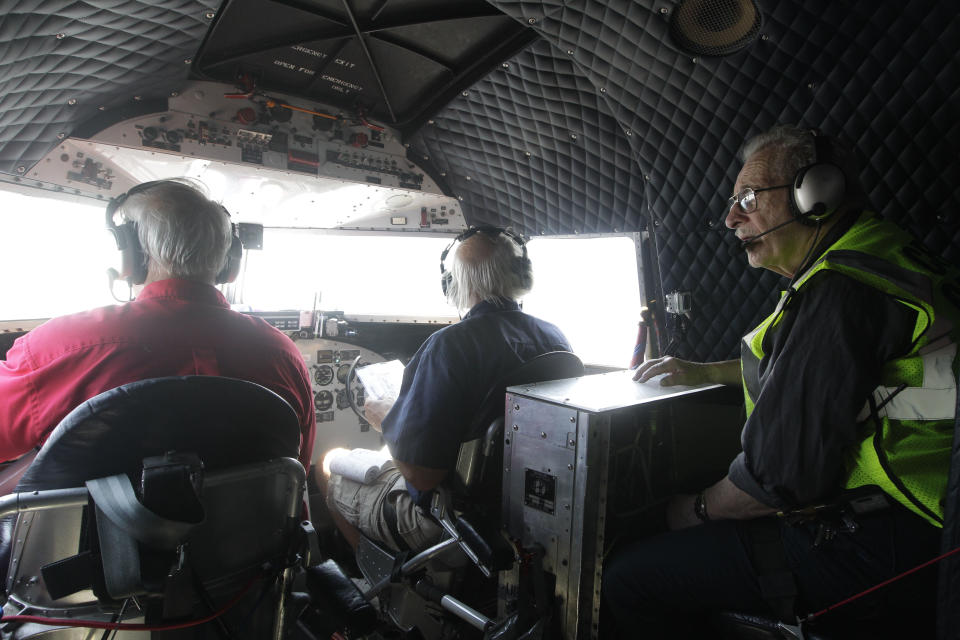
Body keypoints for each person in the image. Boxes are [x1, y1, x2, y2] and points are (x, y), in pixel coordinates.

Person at [602, 125, 959, 636]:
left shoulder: (842, 290)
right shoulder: (881, 255)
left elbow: (775, 481)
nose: (730, 218)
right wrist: (705, 372)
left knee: (627, 579)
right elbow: (830, 373)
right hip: (927, 517)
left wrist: (689, 510)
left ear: (816, 195)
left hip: (898, 539)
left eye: (748, 197)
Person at [0, 179, 316, 471]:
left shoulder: (58, 348)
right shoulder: (282, 355)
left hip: (94, 533)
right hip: (252, 533)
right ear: (229, 261)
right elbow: (298, 463)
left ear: (132, 255)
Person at [326, 226, 571, 552]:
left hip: (445, 517)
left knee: (328, 465)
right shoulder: (555, 338)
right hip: (523, 505)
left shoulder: (449, 345)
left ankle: (377, 586)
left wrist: (387, 420)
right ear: (521, 273)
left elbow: (420, 476)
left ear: (453, 283)